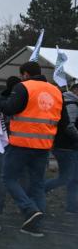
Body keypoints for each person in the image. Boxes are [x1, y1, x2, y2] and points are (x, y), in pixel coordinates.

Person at [0, 62, 63, 237]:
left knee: (9, 178)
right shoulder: (56, 91)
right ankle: (35, 224)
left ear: (25, 74)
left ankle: (30, 210)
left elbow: (9, 108)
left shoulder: (23, 87)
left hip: (21, 144)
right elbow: (61, 121)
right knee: (38, 184)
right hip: (43, 147)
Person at [44, 81, 78, 214]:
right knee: (68, 178)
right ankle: (39, 190)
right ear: (75, 90)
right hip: (66, 147)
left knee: (72, 178)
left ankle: (72, 207)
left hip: (67, 147)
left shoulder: (69, 102)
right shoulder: (71, 104)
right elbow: (70, 126)